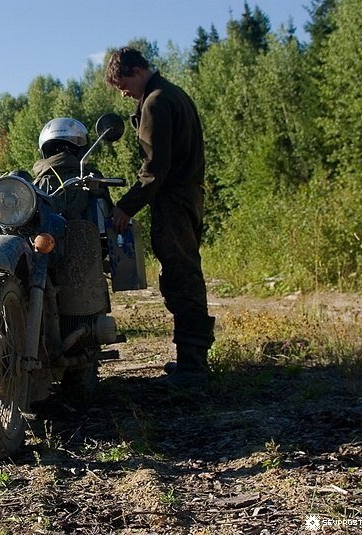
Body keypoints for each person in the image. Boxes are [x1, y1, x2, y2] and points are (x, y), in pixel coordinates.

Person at [104, 47, 215, 390]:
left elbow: (155, 169)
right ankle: (190, 359)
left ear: (136, 70)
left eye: (122, 83)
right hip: (187, 196)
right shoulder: (174, 94)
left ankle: (193, 367)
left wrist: (125, 206)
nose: (122, 92)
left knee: (181, 277)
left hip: (174, 199)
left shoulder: (155, 101)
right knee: (185, 273)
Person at [32, 117, 111, 221]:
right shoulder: (93, 175)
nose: (63, 154)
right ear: (83, 150)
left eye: (67, 150)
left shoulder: (34, 185)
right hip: (86, 232)